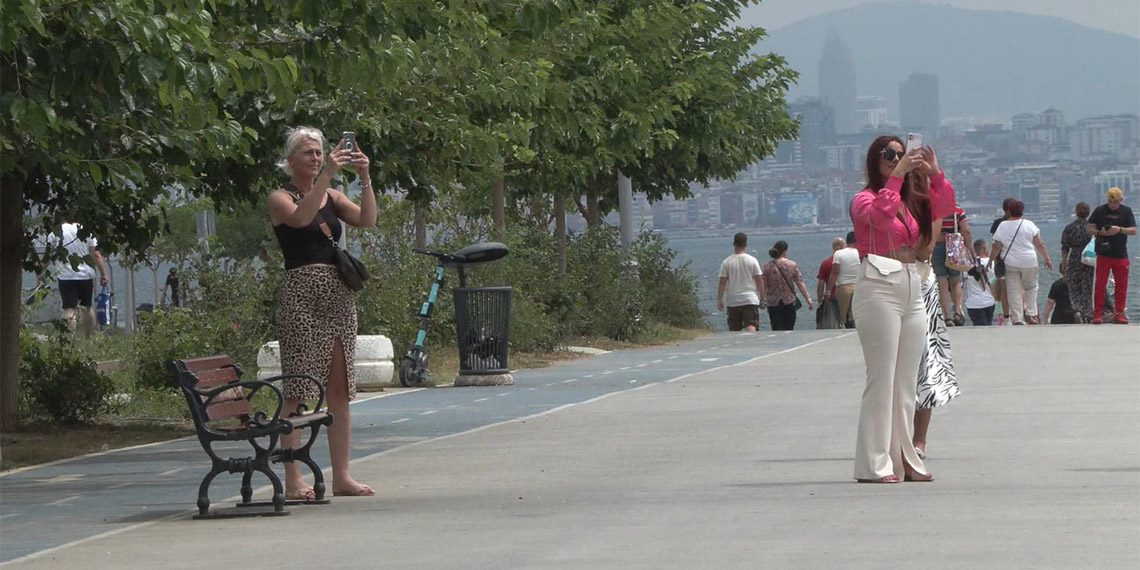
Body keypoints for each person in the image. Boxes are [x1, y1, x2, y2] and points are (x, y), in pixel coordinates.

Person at [268, 126, 378, 498]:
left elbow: (366, 219)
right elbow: (300, 219)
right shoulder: (279, 198)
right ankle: (293, 477)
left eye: (319, 152)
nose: (316, 158)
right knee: (297, 386)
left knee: (339, 387)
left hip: (337, 293)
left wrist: (364, 177)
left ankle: (342, 475)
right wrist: (328, 173)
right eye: (308, 153)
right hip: (301, 293)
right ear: (290, 159)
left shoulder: (332, 195)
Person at [850, 135, 955, 483]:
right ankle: (874, 463)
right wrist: (897, 177)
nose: (896, 158)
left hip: (912, 283)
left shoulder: (908, 203)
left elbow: (942, 212)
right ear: (874, 160)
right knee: (881, 378)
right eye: (889, 154)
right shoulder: (863, 200)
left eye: (901, 153)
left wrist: (935, 175)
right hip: (878, 285)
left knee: (906, 381)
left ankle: (905, 457)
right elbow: (879, 221)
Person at [990, 200, 1052, 325]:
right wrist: (1047, 258)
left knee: (1013, 290)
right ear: (1022, 210)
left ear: (1008, 210)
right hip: (1029, 261)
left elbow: (996, 247)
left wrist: (990, 261)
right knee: (1031, 287)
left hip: (1010, 262)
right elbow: (1039, 244)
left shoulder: (1002, 226)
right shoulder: (1029, 225)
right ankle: (1030, 313)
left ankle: (1018, 318)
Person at [44, 221, 108, 339]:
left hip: (65, 276)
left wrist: (41, 272)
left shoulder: (55, 232)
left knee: (69, 309)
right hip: (85, 275)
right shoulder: (85, 230)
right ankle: (88, 338)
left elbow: (47, 255)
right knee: (87, 307)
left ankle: (69, 339)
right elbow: (96, 255)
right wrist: (103, 274)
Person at [1087, 187, 1136, 324]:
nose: (1112, 205)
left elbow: (1133, 230)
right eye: (1110, 202)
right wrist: (1099, 233)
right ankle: (1097, 314)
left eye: (1115, 202)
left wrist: (1120, 229)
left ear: (1121, 200)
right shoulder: (1100, 210)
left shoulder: (1126, 211)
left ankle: (1119, 314)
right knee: (1100, 285)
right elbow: (1089, 227)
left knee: (1121, 286)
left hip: (1120, 254)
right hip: (1103, 253)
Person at [716, 232, 766, 332]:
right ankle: (751, 344)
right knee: (751, 324)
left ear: (734, 244)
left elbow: (722, 282)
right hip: (750, 299)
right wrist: (762, 297)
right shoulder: (752, 260)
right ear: (745, 244)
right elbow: (759, 280)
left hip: (733, 300)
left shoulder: (727, 262)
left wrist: (719, 299)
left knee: (734, 328)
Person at [932, 205, 971, 326]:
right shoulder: (957, 210)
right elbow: (966, 231)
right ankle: (957, 312)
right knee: (956, 282)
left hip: (937, 246)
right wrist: (970, 249)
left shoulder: (933, 209)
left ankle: (946, 316)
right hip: (955, 247)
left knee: (942, 283)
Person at [761, 240, 813, 331]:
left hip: (773, 302)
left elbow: (763, 285)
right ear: (785, 251)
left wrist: (762, 299)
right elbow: (799, 283)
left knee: (776, 328)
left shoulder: (766, 267)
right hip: (789, 301)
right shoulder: (792, 265)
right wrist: (808, 299)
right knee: (789, 328)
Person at [1059, 202, 1094, 322]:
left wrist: (1064, 263)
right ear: (1088, 213)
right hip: (1089, 258)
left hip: (1074, 257)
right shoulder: (1092, 227)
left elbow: (1065, 247)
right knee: (1088, 287)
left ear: (1076, 212)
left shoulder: (1069, 228)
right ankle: (1088, 313)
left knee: (1074, 287)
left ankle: (1077, 309)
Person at [989, 198, 1015, 324]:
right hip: (1017, 258)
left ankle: (1006, 317)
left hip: (1002, 260)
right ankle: (1017, 314)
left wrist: (992, 260)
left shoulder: (997, 223)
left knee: (1005, 289)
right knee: (1017, 288)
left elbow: (994, 244)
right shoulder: (1019, 222)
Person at [828, 231, 861, 329]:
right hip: (858, 286)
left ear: (847, 241)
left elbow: (835, 272)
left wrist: (828, 289)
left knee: (842, 317)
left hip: (843, 287)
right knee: (855, 315)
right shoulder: (860, 252)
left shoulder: (838, 254)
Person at [963, 239, 996, 326]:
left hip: (974, 304)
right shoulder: (992, 263)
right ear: (985, 249)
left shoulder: (968, 264)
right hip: (990, 302)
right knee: (988, 327)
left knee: (980, 331)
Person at [815, 237, 844, 329]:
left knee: (833, 322)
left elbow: (820, 284)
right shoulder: (846, 261)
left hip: (831, 297)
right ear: (841, 247)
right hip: (845, 293)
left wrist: (820, 301)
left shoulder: (826, 262)